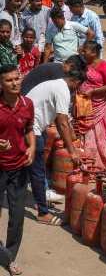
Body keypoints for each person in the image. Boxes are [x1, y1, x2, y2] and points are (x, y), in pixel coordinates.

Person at [25, 66, 85, 224]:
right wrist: (72, 152)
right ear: (76, 82)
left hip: (31, 125)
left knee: (30, 167)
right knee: (37, 171)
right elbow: (62, 123)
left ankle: (39, 202)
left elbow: (64, 122)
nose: (76, 91)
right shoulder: (63, 90)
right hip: (31, 128)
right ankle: (43, 213)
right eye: (78, 87)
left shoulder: (57, 84)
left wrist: (72, 140)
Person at [0, 64, 34, 275]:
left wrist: (31, 147)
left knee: (17, 215)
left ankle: (9, 257)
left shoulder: (27, 104)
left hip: (19, 168)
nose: (15, 83)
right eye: (9, 80)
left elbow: (29, 129)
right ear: (1, 84)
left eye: (17, 78)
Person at [77, 40, 106, 171]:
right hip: (84, 103)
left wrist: (93, 91)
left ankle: (100, 164)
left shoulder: (105, 66)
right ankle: (86, 162)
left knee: (99, 134)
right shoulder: (84, 65)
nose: (82, 52)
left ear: (94, 53)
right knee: (84, 131)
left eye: (85, 50)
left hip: (99, 106)